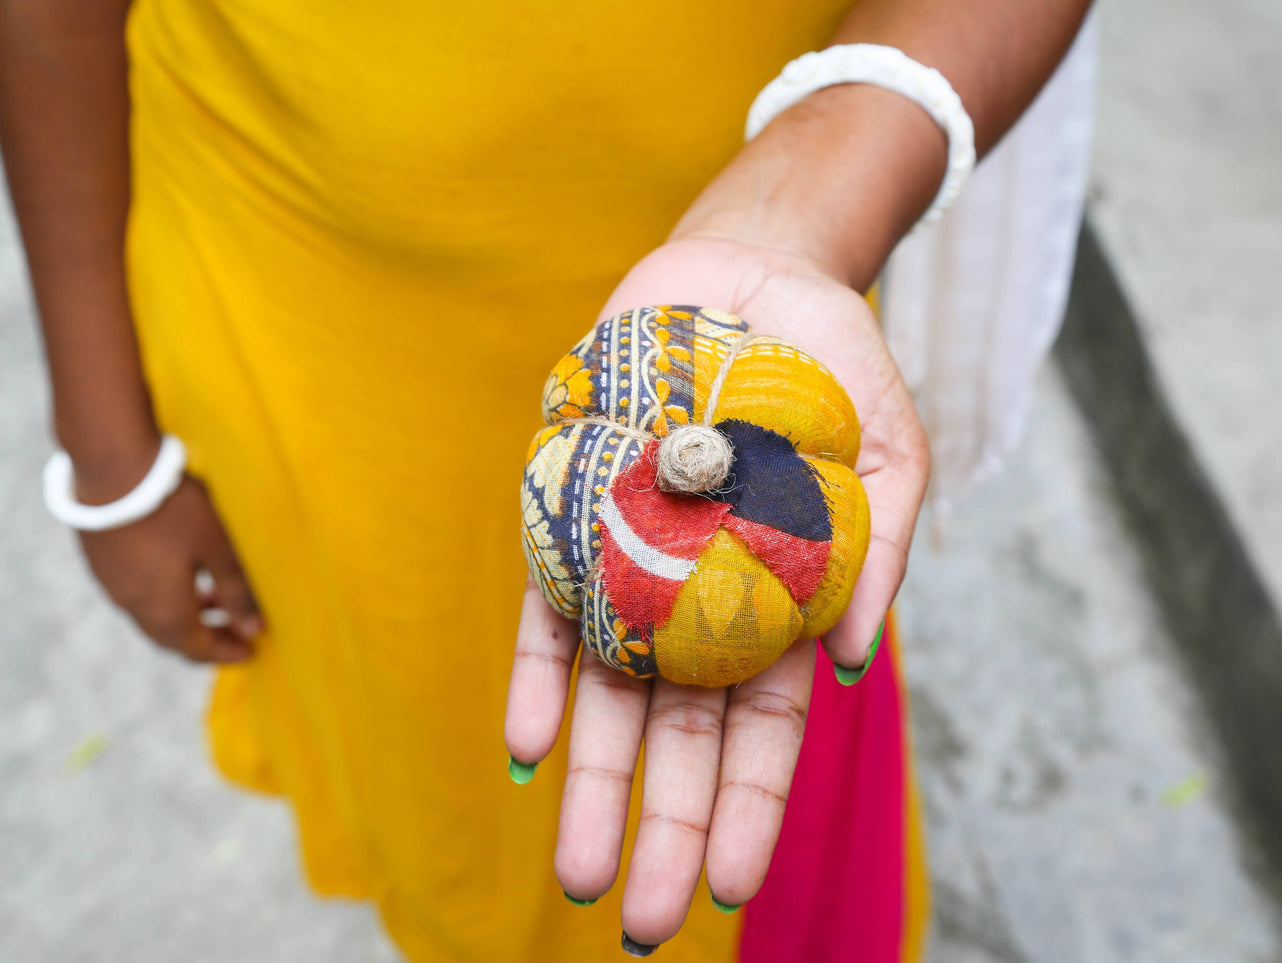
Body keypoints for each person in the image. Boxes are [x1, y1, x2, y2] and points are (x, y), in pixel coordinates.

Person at [0, 0, 1093, 959]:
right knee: (429, 781)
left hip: (727, 330)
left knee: (730, 855)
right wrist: (110, 457)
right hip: (306, 309)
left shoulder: (767, 428)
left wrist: (807, 203)